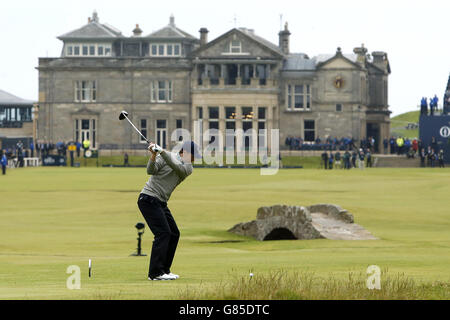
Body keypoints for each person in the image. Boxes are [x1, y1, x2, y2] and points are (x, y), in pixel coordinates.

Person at [137, 141, 200, 281]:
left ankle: (164, 270)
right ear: (185, 152)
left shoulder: (188, 167)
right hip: (148, 199)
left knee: (174, 233)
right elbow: (150, 171)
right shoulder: (165, 156)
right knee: (163, 233)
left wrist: (162, 152)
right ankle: (155, 273)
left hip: (160, 202)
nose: (194, 160)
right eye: (193, 156)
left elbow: (177, 167)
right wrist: (153, 155)